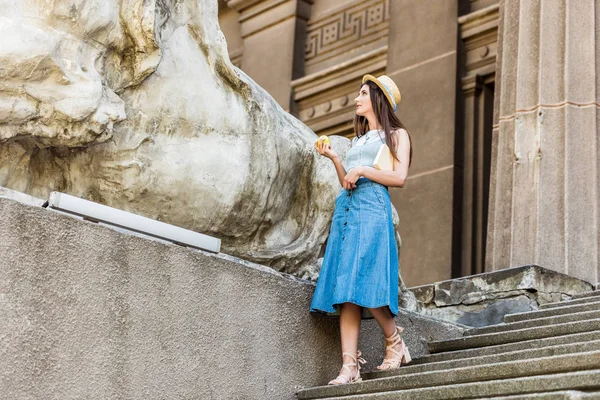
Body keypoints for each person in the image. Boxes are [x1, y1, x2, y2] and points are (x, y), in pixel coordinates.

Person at [310, 74, 412, 385]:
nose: (357, 99)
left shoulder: (397, 135)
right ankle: (349, 368)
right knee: (346, 290)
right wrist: (336, 159)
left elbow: (399, 178)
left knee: (364, 279)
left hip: (372, 207)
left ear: (378, 99)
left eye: (363, 94)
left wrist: (365, 169)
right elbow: (346, 181)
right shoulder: (359, 140)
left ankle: (395, 341)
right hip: (347, 209)